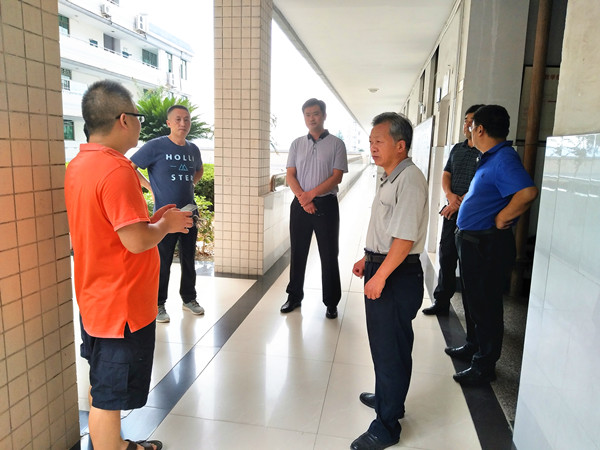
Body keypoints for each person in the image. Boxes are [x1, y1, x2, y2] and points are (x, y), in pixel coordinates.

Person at [65, 80, 193, 450]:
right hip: (121, 308)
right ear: (124, 120)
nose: (139, 123)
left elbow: (112, 230)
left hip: (96, 298)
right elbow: (136, 241)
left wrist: (153, 221)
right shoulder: (117, 169)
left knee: (102, 384)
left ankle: (116, 444)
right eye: (137, 116)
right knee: (109, 396)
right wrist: (165, 225)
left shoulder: (79, 164)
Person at [351, 112, 428, 450]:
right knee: (390, 346)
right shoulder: (390, 177)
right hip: (384, 265)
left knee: (389, 350)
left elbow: (404, 238)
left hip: (396, 275)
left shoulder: (409, 180)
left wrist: (380, 274)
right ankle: (388, 398)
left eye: (378, 141)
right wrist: (367, 259)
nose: (372, 147)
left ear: (400, 145)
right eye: (370, 141)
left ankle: (386, 426)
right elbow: (386, 228)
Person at [448, 105, 538, 386]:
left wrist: (502, 217)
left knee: (486, 306)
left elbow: (527, 192)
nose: (469, 130)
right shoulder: (489, 157)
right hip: (473, 242)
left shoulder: (503, 158)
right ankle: (473, 345)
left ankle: (484, 366)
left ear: (480, 129)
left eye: (471, 125)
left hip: (486, 244)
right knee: (474, 300)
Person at [130, 105, 204, 323]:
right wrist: (149, 187)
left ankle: (189, 298)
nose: (183, 123)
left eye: (187, 119)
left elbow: (199, 169)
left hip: (189, 213)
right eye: (178, 119)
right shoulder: (156, 146)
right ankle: (158, 303)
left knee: (189, 259)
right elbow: (130, 166)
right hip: (165, 216)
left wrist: (192, 183)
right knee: (162, 262)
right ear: (168, 123)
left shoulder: (193, 149)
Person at [281, 98, 348, 319]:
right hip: (300, 204)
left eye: (316, 114)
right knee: (298, 252)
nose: (312, 118)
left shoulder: (337, 144)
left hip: (326, 204)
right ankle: (294, 297)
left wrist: (310, 195)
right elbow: (290, 175)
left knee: (329, 254)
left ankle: (331, 302)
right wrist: (304, 199)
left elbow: (336, 177)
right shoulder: (296, 144)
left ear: (324, 116)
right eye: (308, 114)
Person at [422, 104, 484, 316]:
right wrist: (449, 195)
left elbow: (481, 184)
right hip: (451, 211)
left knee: (469, 265)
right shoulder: (458, 149)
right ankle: (441, 301)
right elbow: (446, 173)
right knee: (446, 256)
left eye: (472, 121)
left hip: (472, 216)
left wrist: (458, 203)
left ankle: (472, 314)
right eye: (466, 120)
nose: (467, 125)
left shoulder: (486, 153)